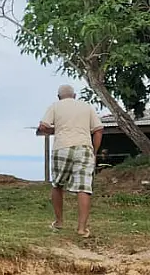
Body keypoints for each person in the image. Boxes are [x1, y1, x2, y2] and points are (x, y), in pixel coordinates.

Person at [37, 84, 103, 238]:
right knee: (84, 187)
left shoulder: (55, 106)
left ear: (59, 96)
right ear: (75, 95)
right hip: (84, 147)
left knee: (58, 184)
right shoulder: (86, 107)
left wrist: (55, 130)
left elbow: (42, 126)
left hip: (62, 147)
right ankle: (81, 229)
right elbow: (98, 129)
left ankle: (59, 222)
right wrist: (95, 151)